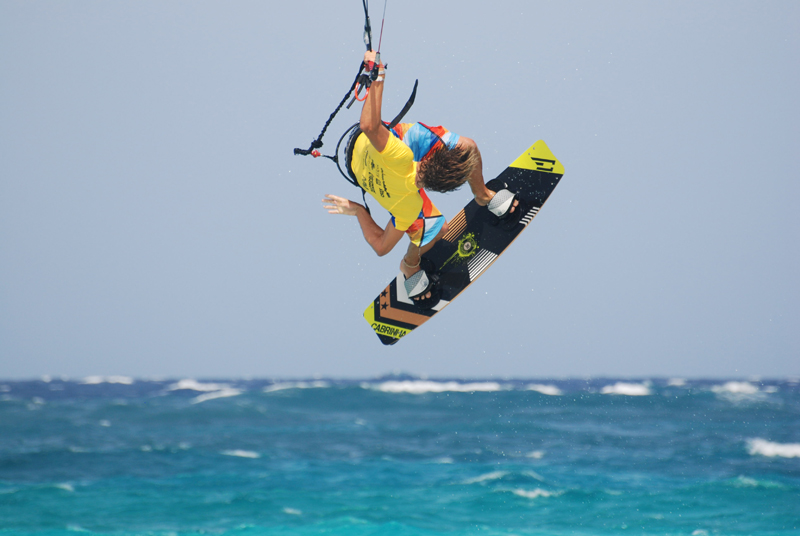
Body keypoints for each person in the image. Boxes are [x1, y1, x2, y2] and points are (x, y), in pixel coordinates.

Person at [323, 51, 518, 305]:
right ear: (438, 188)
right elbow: (380, 246)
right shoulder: (408, 198)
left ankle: (482, 196)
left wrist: (378, 74)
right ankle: (410, 265)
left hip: (370, 152)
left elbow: (370, 127)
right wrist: (359, 211)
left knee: (440, 224)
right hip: (372, 149)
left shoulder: (404, 173)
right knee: (464, 157)